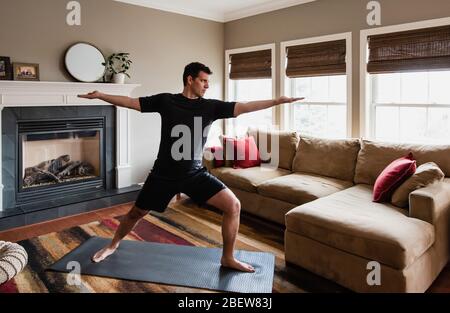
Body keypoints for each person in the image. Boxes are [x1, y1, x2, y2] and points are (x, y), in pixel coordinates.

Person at [78, 62, 303, 272]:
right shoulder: (166, 101)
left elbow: (243, 107)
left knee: (233, 205)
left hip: (194, 174)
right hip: (163, 174)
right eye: (203, 81)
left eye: (208, 82)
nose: (206, 86)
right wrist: (100, 95)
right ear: (189, 80)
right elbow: (131, 102)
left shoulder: (211, 107)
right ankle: (113, 245)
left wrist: (276, 101)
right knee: (136, 213)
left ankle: (228, 257)